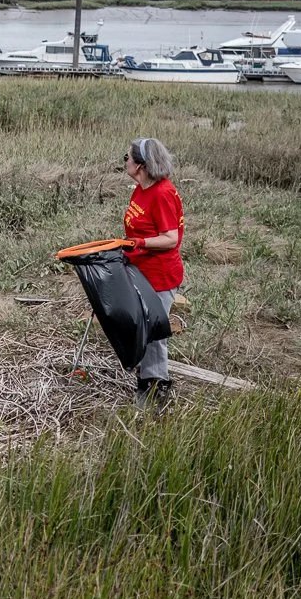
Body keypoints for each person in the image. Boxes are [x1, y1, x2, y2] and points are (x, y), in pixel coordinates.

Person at [121, 136, 184, 405]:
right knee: (142, 327)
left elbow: (171, 238)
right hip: (141, 270)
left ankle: (156, 386)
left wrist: (140, 243)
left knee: (154, 332)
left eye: (128, 158)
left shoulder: (162, 194)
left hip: (160, 276)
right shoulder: (141, 188)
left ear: (141, 165)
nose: (125, 161)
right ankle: (148, 376)